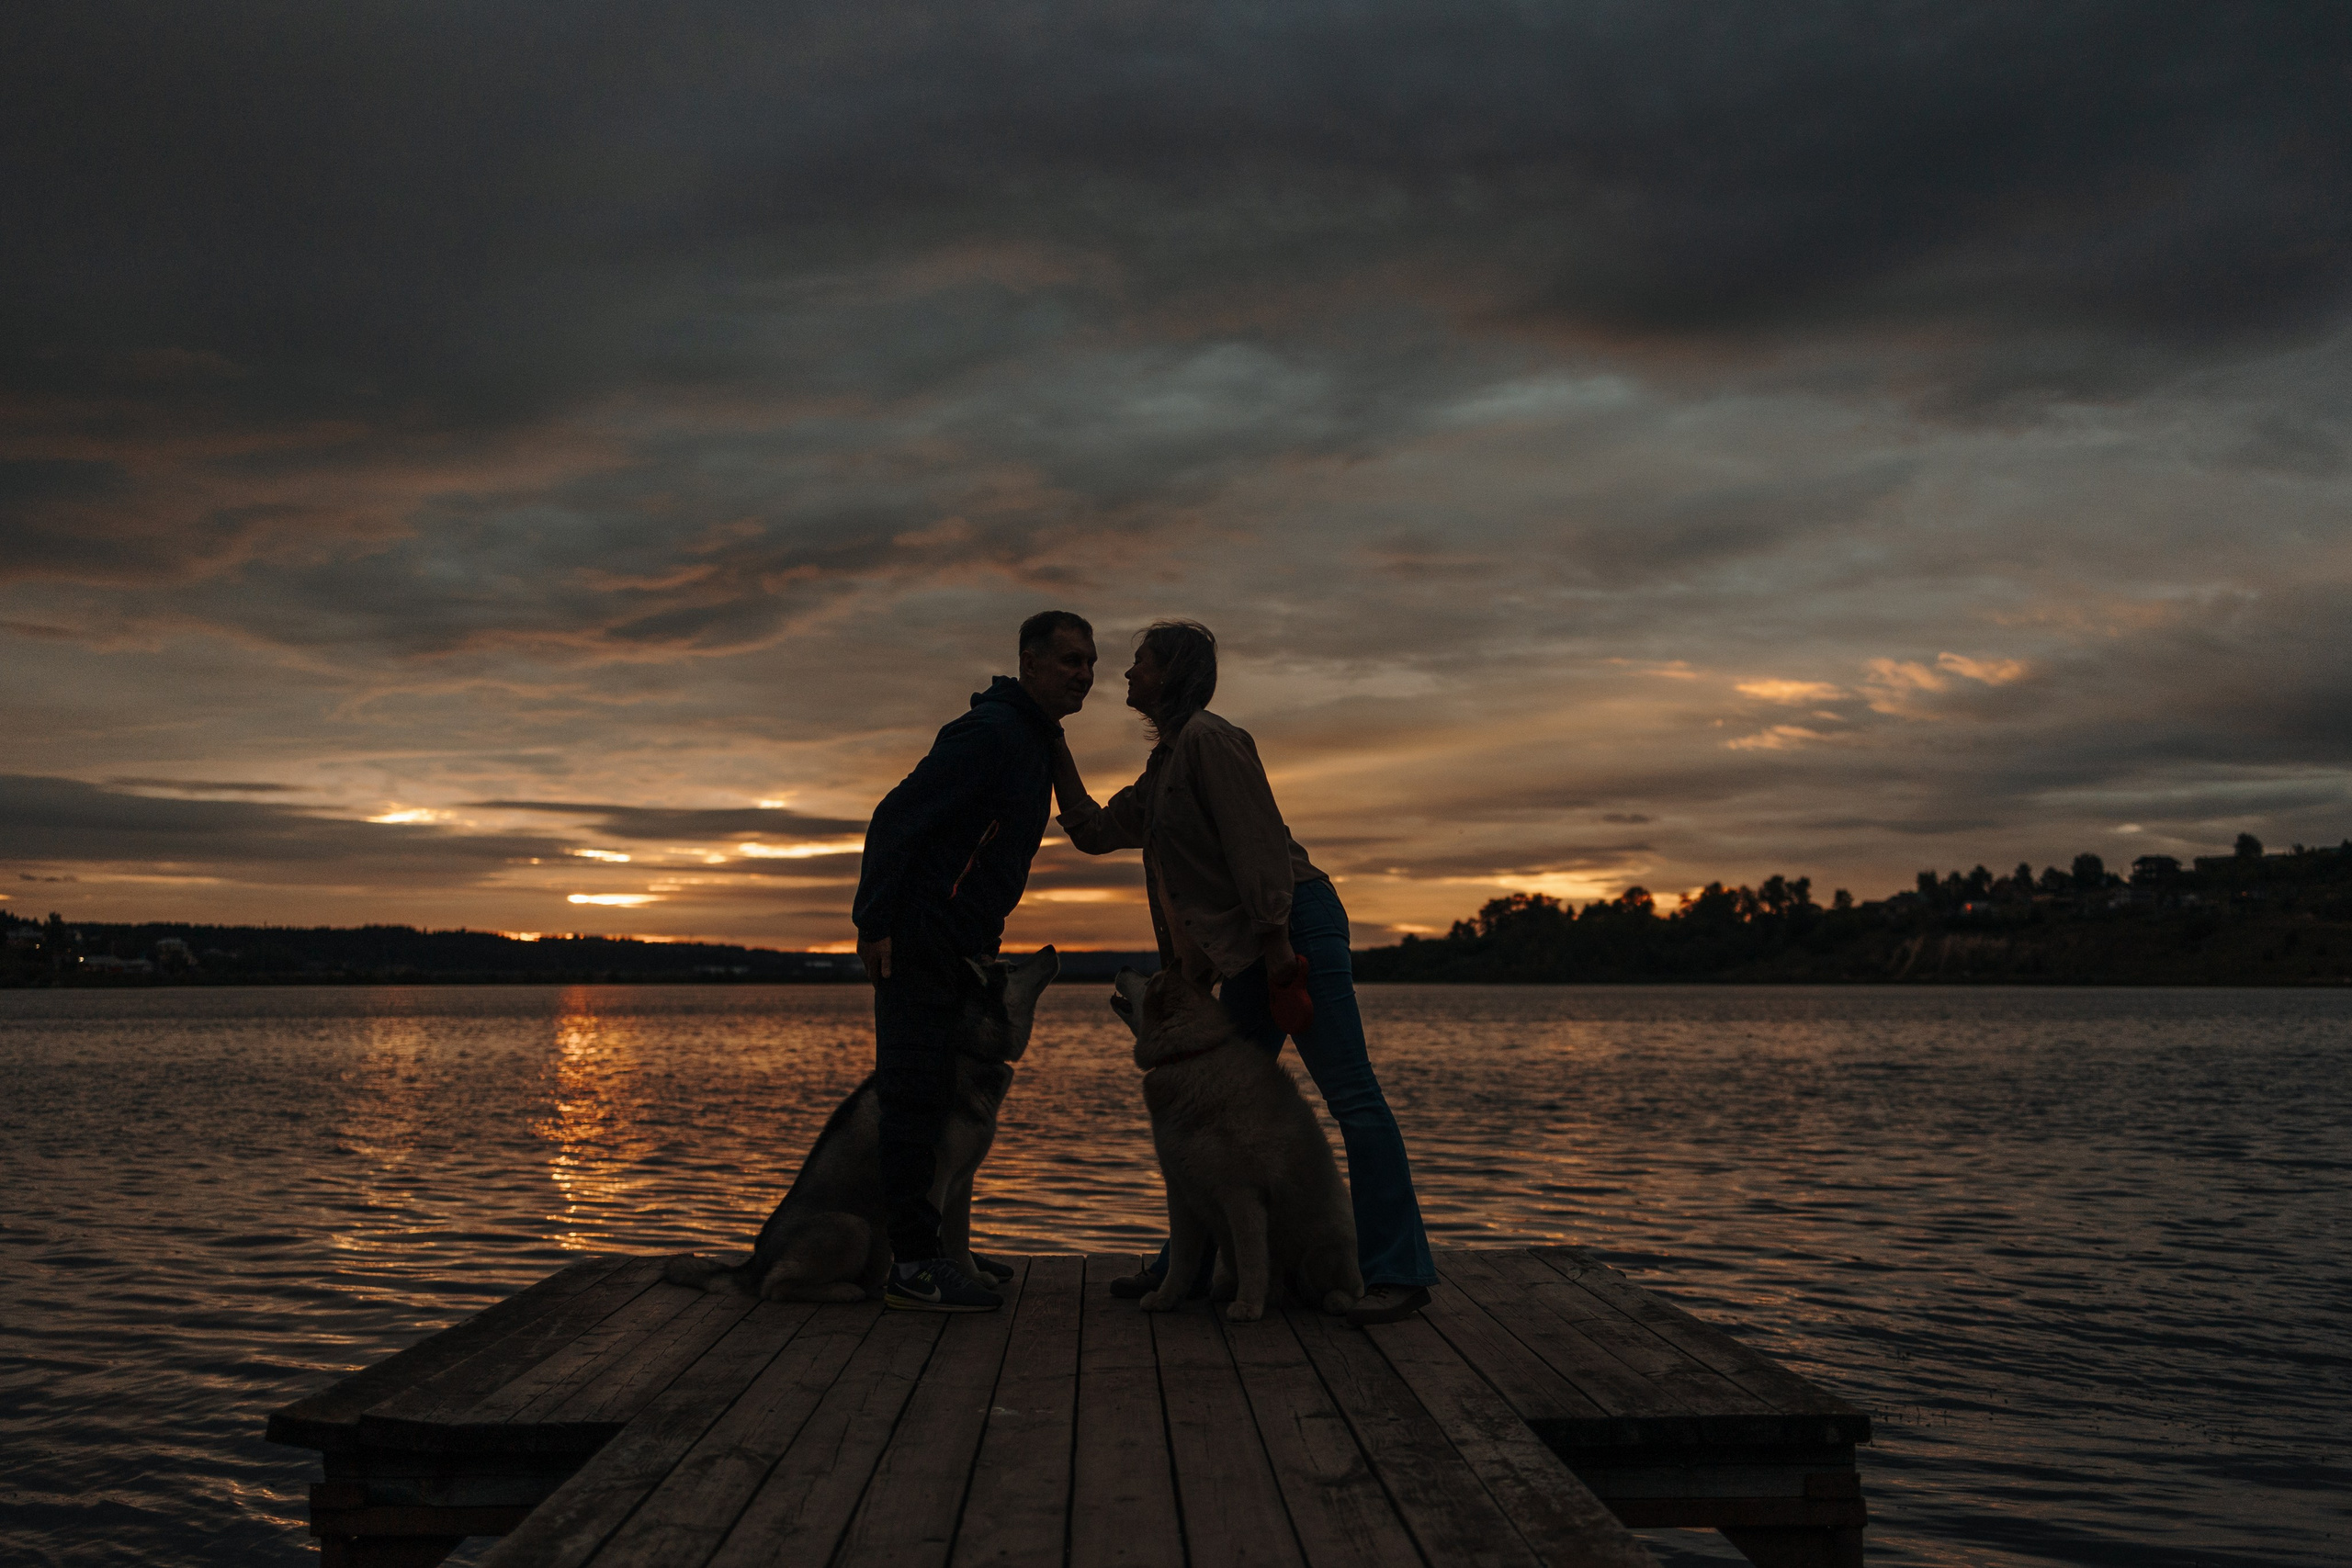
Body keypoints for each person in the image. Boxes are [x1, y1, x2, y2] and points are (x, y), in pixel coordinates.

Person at [1053, 620, 1436, 1325]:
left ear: (1170, 673)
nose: (1126, 674)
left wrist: (1280, 948)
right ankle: (1188, 1268)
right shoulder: (1165, 765)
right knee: (1209, 1110)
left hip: (1291, 929)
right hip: (1251, 948)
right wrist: (1052, 750)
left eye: (1139, 663)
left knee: (1352, 1096)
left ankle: (1399, 1271)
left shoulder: (1211, 740)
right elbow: (1094, 830)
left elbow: (1256, 843)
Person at [851, 610, 1097, 1311]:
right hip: (919, 939)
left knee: (947, 1098)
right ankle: (913, 1266)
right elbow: (896, 816)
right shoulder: (989, 734)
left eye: (1092, 664)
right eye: (1070, 660)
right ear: (1028, 661)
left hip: (965, 948)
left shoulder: (1034, 738)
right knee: (913, 1096)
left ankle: (939, 1247)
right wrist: (874, 922)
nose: (1083, 675)